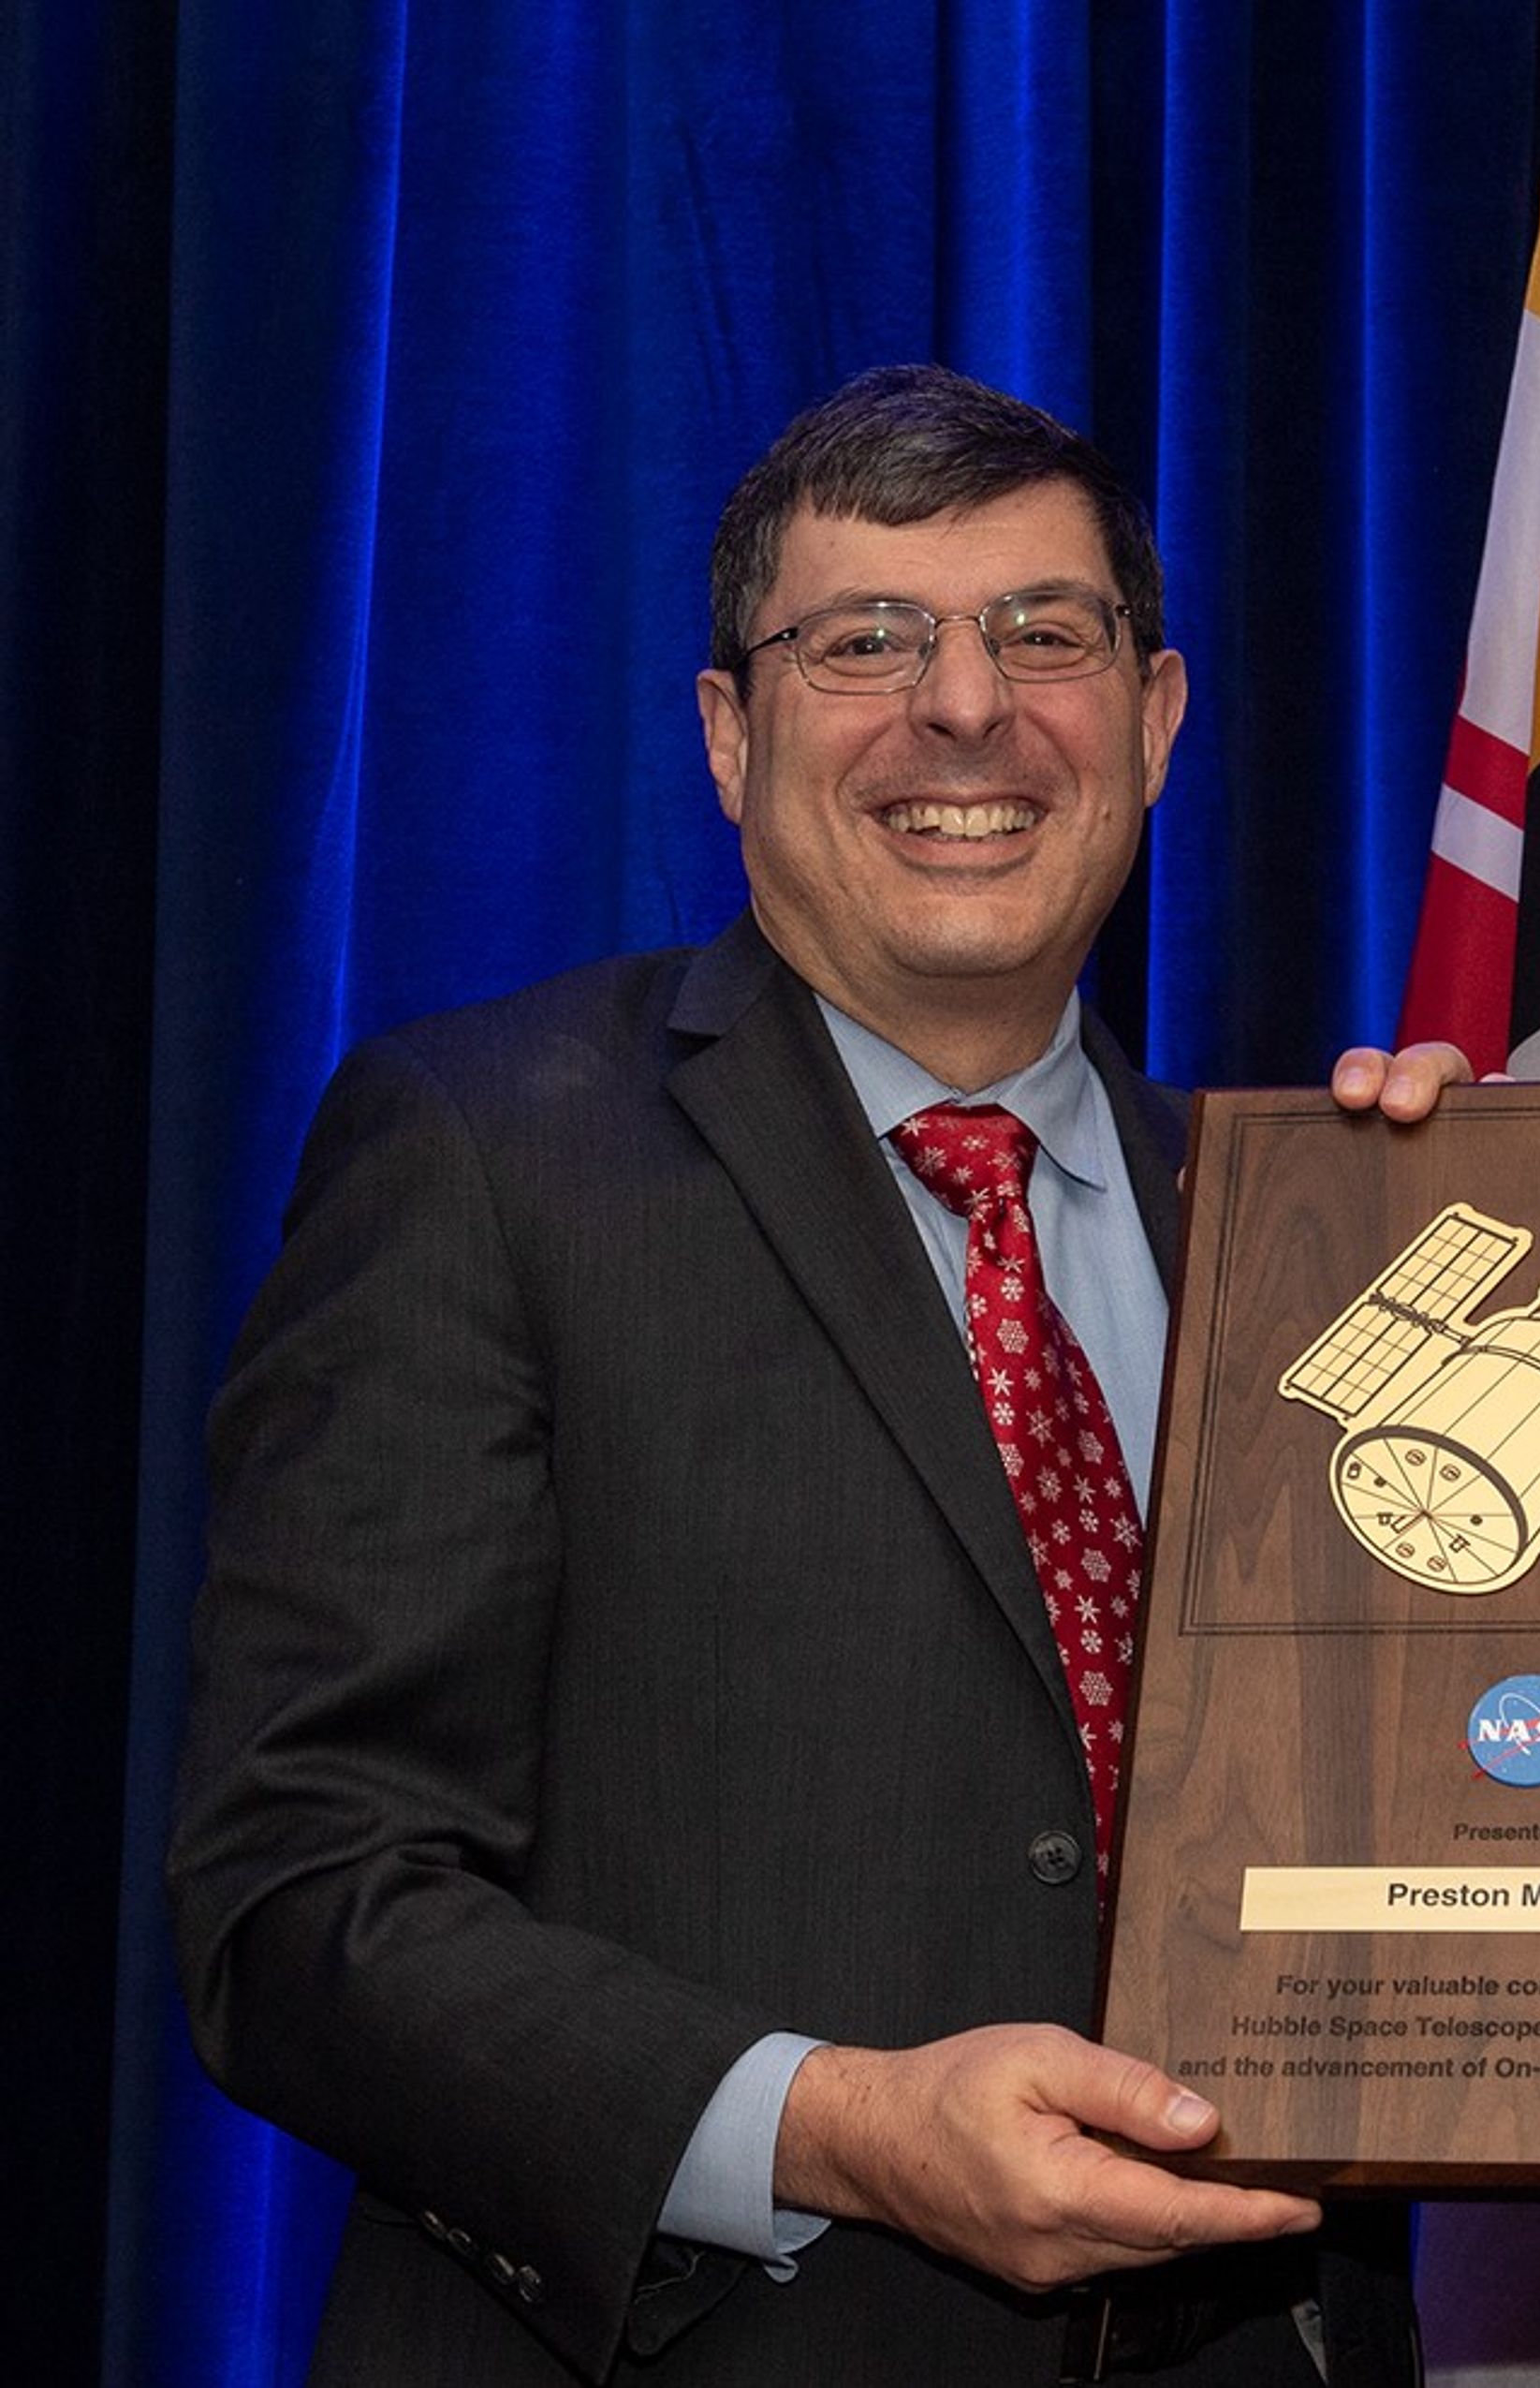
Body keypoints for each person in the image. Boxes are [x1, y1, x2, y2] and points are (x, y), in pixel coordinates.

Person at [168, 365, 1437, 2385]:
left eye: (1047, 635)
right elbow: (300, 1903)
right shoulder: (487, 1154)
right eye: (868, 644)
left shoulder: (1323, 1232)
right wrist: (833, 2126)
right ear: (728, 733)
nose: (966, 708)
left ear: (1159, 716)